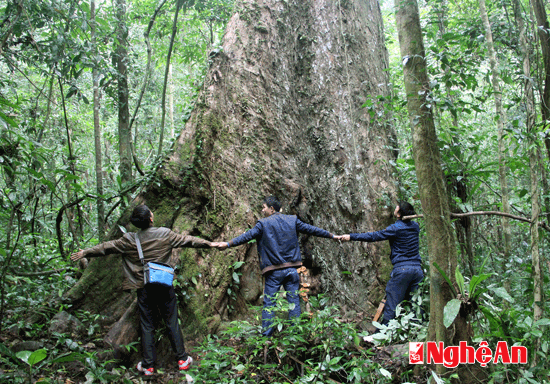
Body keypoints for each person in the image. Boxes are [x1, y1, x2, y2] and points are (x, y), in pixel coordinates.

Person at [71, 205, 213, 376]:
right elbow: (188, 240)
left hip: (144, 287)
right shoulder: (165, 233)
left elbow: (107, 247)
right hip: (164, 285)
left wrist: (86, 252)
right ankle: (182, 360)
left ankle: (148, 366)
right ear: (151, 219)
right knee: (171, 321)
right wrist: (210, 243)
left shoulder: (129, 239)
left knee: (147, 324)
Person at [213, 196, 336, 337]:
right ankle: (295, 335)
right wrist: (331, 235)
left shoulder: (263, 224)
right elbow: (311, 229)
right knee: (294, 301)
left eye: (264, 207)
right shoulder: (292, 220)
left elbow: (247, 236)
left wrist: (228, 244)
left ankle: (266, 336)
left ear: (272, 209)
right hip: (292, 269)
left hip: (274, 271)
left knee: (269, 302)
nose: (262, 210)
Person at [335, 201, 423, 333]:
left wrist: (351, 237)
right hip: (417, 270)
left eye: (396, 207)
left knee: (392, 304)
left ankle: (381, 336)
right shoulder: (415, 226)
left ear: (399, 213)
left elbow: (374, 236)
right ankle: (415, 333)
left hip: (402, 270)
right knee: (415, 304)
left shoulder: (396, 228)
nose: (395, 208)